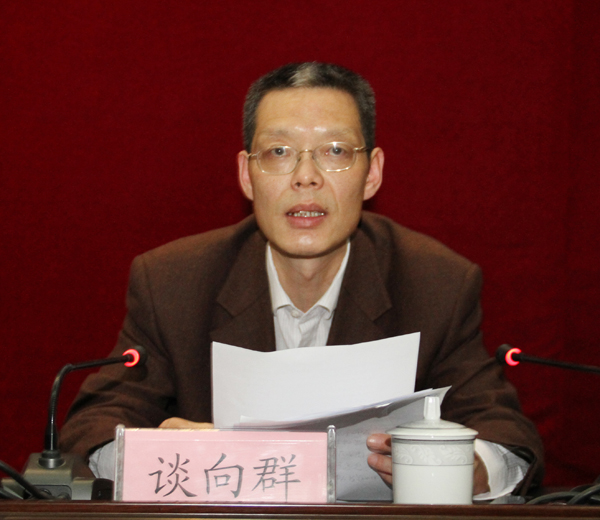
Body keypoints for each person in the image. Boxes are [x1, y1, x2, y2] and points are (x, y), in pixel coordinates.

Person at [60, 62, 543, 499]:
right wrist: (153, 452)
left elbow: (503, 432)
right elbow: (95, 424)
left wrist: (471, 468)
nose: (305, 177)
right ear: (246, 175)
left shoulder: (435, 283)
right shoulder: (173, 282)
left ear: (371, 174)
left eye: (335, 151)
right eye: (279, 152)